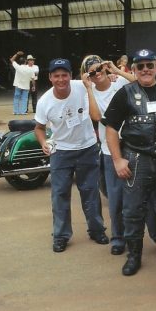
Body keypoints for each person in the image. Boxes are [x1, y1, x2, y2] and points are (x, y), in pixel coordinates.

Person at [103, 49, 156, 276]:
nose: (145, 70)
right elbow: (111, 128)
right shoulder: (125, 93)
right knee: (133, 211)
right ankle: (134, 255)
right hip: (136, 159)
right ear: (133, 69)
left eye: (149, 65)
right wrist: (117, 160)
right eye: (140, 66)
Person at [34, 58, 108, 253]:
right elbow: (39, 128)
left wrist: (112, 76)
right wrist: (43, 143)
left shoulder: (82, 86)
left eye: (64, 75)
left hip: (87, 148)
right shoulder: (44, 102)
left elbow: (101, 83)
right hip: (61, 152)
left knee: (90, 192)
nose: (61, 79)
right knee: (59, 195)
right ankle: (61, 235)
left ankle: (97, 230)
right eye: (56, 76)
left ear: (70, 75)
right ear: (50, 78)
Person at [80, 55, 135, 257]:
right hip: (109, 150)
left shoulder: (119, 82)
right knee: (115, 199)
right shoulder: (89, 93)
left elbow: (140, 82)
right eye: (92, 72)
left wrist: (117, 70)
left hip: (133, 145)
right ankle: (118, 237)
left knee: (142, 197)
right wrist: (89, 88)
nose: (98, 73)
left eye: (99, 68)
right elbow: (96, 116)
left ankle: (153, 235)